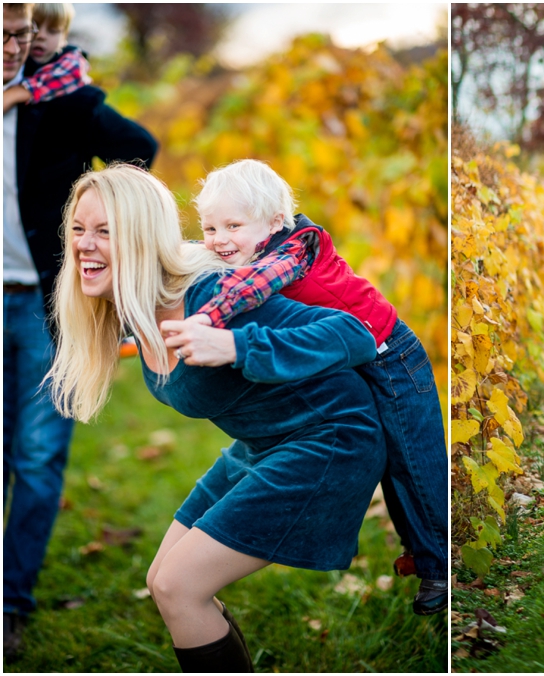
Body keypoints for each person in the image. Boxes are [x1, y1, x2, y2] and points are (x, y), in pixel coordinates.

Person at [47, 164, 388, 672]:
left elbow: (353, 333)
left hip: (328, 439)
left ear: (140, 237)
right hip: (262, 445)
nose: (84, 245)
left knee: (177, 586)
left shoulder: (211, 295)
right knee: (162, 579)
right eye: (78, 229)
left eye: (104, 231)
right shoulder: (141, 309)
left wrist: (234, 343)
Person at [169, 159, 448, 614]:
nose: (219, 239)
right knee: (389, 464)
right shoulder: (253, 247)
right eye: (210, 227)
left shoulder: (294, 248)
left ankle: (440, 566)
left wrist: (205, 318)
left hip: (392, 357)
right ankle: (424, 554)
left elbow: (250, 288)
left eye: (233, 225)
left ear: (275, 221)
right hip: (355, 361)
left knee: (411, 461)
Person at [3, 2, 157, 660]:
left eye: (21, 36)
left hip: (43, 300)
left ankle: (10, 602)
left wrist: (95, 237)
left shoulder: (60, 100)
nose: (16, 48)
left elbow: (139, 150)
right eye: (4, 37)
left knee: (36, 455)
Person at [3, 3, 89, 112]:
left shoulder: (69, 60)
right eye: (35, 27)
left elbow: (72, 72)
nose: (41, 36)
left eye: (53, 30)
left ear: (64, 38)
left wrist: (16, 93)